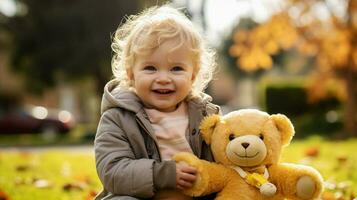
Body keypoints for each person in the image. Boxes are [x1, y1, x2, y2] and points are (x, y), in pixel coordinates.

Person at [94, 4, 220, 200]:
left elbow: (226, 162)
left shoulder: (206, 116)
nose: (163, 78)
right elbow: (112, 171)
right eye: (151, 68)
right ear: (131, 74)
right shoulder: (117, 117)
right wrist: (165, 174)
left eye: (176, 69)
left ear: (192, 76)